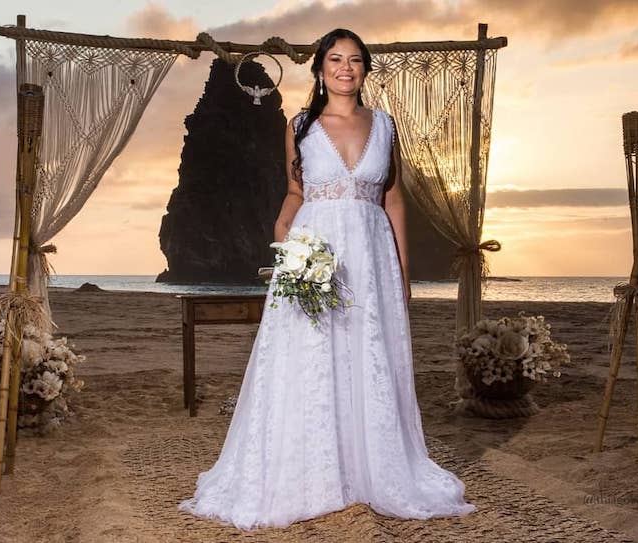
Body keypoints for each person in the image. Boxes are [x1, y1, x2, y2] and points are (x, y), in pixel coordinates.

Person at [178, 28, 476, 530]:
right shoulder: (300, 125)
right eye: (335, 59)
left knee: (367, 352)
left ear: (365, 70)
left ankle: (370, 469)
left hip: (371, 253)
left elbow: (394, 198)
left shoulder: (383, 124)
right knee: (312, 353)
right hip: (316, 250)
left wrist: (402, 269)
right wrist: (282, 230)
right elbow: (296, 193)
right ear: (319, 68)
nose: (345, 68)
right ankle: (313, 471)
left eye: (355, 60)